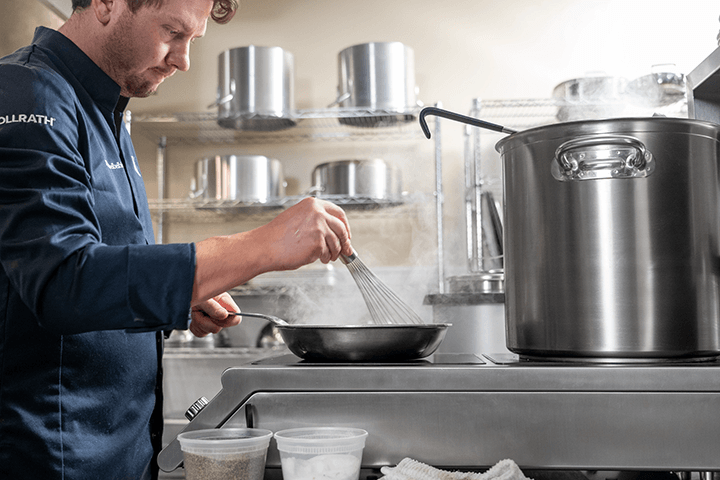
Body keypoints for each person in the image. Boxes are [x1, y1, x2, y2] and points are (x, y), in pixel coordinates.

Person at [0, 0, 353, 478]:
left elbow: (99, 270)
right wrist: (263, 245)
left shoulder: (107, 109)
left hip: (122, 453)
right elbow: (65, 283)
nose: (184, 59)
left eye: (193, 40)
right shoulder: (27, 93)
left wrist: (175, 300)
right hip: (54, 455)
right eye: (173, 32)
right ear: (106, 4)